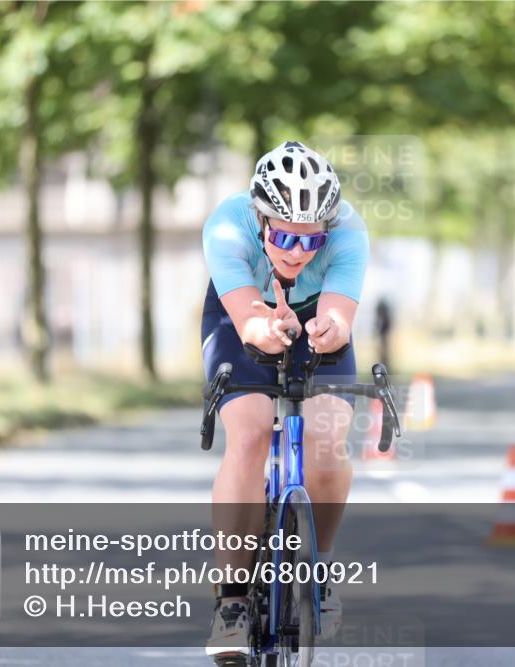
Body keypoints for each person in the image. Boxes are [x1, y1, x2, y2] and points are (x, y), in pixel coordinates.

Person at [201, 141, 369, 662]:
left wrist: (330, 330)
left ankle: (319, 571)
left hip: (318, 318)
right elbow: (250, 321)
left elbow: (340, 319)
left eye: (311, 238)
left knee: (326, 438)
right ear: (259, 218)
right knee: (249, 433)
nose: (297, 251)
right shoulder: (226, 226)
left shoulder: (349, 231)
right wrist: (263, 328)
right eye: (282, 235)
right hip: (241, 312)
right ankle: (231, 601)